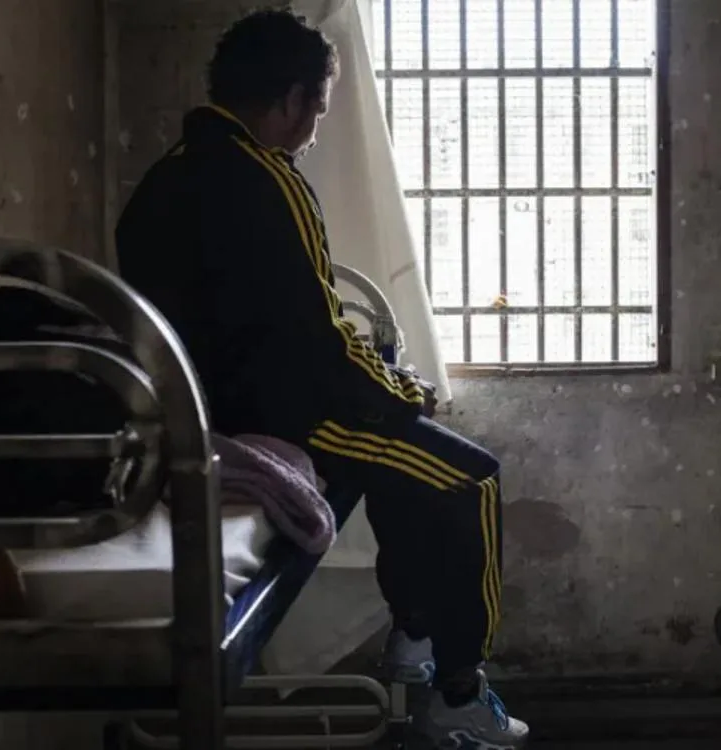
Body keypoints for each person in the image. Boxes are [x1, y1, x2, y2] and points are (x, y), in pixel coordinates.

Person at [114, 9, 528, 749]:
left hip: (200, 408)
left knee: (402, 456)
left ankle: (414, 635)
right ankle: (459, 690)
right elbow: (320, 336)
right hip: (283, 413)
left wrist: (389, 402)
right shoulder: (269, 179)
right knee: (472, 480)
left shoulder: (158, 184)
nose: (312, 131)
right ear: (290, 99)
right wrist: (403, 392)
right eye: (317, 110)